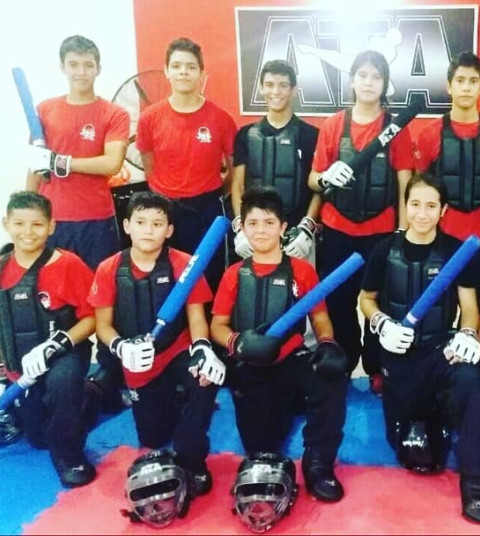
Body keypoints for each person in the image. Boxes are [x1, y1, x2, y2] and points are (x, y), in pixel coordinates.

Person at [358, 174, 480, 524]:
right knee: (406, 448)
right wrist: (382, 324)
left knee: (472, 380)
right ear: (405, 206)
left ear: (443, 210)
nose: (422, 213)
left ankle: (477, 484)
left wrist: (467, 334)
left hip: (440, 352)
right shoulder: (384, 250)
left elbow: (470, 307)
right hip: (398, 355)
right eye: (415, 204)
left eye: (431, 206)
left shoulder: (456, 251)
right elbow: (366, 299)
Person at [210, 186, 349, 503]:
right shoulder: (233, 274)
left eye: (269, 223)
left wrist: (327, 344)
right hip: (250, 363)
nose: (261, 230)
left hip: (292, 360)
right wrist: (237, 342)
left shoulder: (302, 270)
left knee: (332, 378)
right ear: (243, 228)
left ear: (283, 227)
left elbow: (320, 317)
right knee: (261, 447)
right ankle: (278, 412)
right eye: (253, 223)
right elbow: (217, 325)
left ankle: (318, 463)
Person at [88, 191, 222, 501]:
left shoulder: (185, 264)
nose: (148, 230)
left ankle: (193, 457)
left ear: (169, 230)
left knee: (206, 378)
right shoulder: (109, 268)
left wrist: (203, 348)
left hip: (177, 349)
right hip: (137, 359)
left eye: (157, 223)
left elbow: (197, 318)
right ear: (127, 226)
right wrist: (122, 347)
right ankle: (171, 399)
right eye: (141, 222)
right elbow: (102, 325)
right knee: (154, 438)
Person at [308, 50, 414, 394]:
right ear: (352, 80)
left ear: (385, 84)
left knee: (378, 304)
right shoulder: (333, 125)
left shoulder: (395, 128)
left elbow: (404, 181)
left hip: (380, 233)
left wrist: (403, 230)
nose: (369, 82)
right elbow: (312, 179)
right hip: (338, 230)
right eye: (363, 75)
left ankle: (376, 367)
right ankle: (343, 362)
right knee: (338, 303)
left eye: (376, 76)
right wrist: (325, 177)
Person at [413, 51, 480, 369]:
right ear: (449, 86)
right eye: (460, 80)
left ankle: (478, 368)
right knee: (439, 308)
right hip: (443, 238)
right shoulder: (429, 134)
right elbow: (420, 187)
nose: (466, 87)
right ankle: (437, 369)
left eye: (473, 81)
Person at [0, 191, 96, 487]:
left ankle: (69, 454)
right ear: (6, 224)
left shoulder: (68, 264)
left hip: (63, 353)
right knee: (39, 438)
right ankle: (90, 395)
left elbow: (93, 317)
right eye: (19, 223)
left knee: (62, 384)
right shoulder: (1, 267)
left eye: (37, 224)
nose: (28, 232)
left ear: (52, 226)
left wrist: (58, 343)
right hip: (20, 363)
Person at [136, 37, 237, 290]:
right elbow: (149, 165)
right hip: (164, 210)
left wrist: (212, 193)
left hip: (207, 210)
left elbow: (234, 171)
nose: (183, 72)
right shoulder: (149, 118)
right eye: (177, 66)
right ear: (166, 71)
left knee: (209, 278)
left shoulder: (221, 119)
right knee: (166, 279)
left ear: (202, 73)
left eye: (191, 67)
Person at [26, 34, 129, 270]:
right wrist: (28, 208)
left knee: (98, 286)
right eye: (73, 64)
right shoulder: (45, 109)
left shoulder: (114, 114)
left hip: (97, 219)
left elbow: (112, 163)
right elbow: (36, 162)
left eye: (88, 65)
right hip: (53, 218)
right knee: (53, 286)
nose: (81, 72)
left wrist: (62, 162)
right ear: (62, 67)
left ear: (98, 69)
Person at [230, 59, 321, 263]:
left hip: (297, 237)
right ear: (261, 88)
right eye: (269, 85)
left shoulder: (311, 135)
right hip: (255, 235)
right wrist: (240, 228)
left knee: (301, 284)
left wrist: (308, 227)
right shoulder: (246, 135)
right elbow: (238, 185)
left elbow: (318, 188)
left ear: (294, 90)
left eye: (283, 85)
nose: (276, 91)